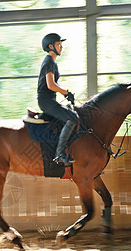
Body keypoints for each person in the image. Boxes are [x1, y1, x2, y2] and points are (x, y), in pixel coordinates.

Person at [37, 33, 79, 165]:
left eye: (61, 44)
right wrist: (66, 92)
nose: (61, 47)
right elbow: (51, 85)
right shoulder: (49, 62)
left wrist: (65, 94)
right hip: (46, 101)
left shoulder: (52, 62)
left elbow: (53, 86)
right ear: (50, 46)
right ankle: (59, 154)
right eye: (58, 44)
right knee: (72, 118)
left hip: (50, 100)